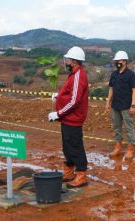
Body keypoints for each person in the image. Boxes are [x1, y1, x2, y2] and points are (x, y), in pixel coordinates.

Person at [48, 46, 90, 188]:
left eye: (67, 60)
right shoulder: (73, 74)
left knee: (75, 146)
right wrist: (58, 96)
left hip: (74, 118)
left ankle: (81, 174)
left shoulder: (79, 75)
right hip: (68, 119)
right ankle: (69, 171)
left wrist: (58, 113)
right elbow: (69, 94)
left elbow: (74, 100)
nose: (65, 62)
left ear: (73, 61)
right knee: (68, 147)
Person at [105, 51, 135, 160]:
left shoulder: (131, 75)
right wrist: (108, 102)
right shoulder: (114, 75)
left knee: (129, 128)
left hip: (127, 106)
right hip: (115, 105)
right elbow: (111, 89)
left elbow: (134, 90)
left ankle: (130, 149)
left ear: (124, 61)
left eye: (119, 61)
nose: (118, 63)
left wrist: (133, 105)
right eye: (116, 61)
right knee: (117, 127)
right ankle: (118, 148)